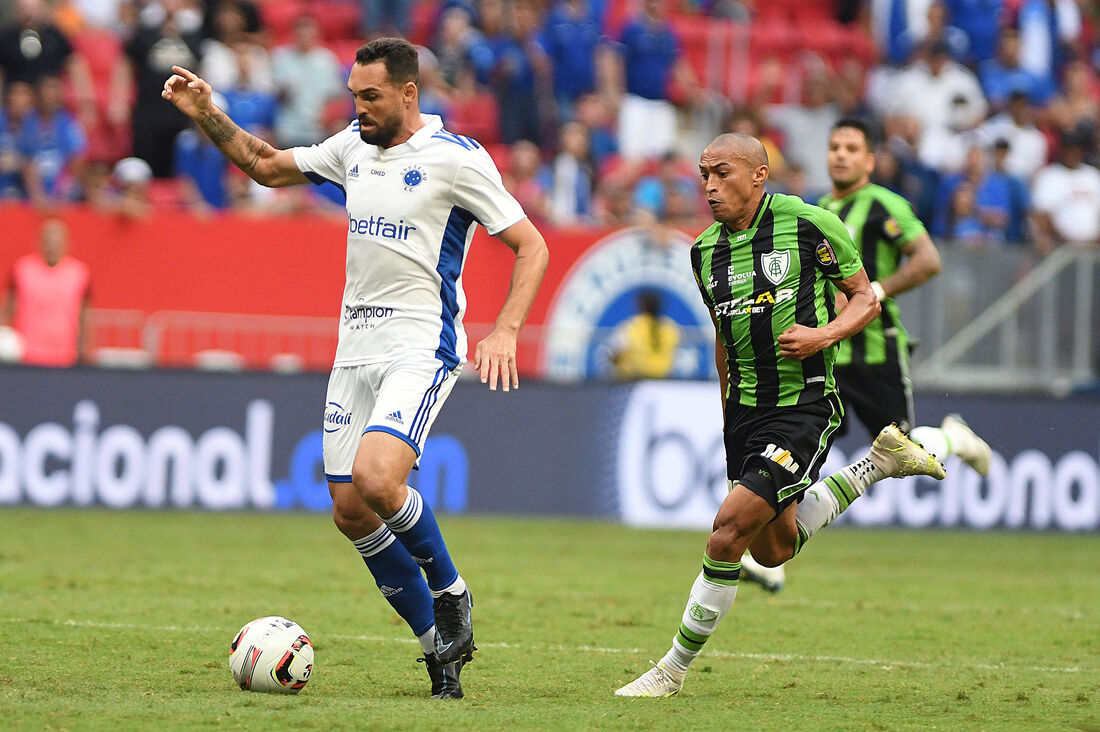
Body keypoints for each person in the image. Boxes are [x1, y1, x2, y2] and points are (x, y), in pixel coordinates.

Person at [162, 37, 549, 699]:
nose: (358, 108)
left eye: (370, 97)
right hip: (354, 351)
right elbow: (263, 164)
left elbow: (530, 244)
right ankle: (438, 650)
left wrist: (507, 328)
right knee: (349, 510)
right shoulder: (352, 147)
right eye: (353, 96)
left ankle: (452, 592)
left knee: (376, 477)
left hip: (419, 346)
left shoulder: (456, 160)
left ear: (407, 92)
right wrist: (206, 111)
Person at [615, 133, 945, 698]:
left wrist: (824, 334)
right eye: (704, 176)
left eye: (723, 174)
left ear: (759, 175)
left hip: (804, 405)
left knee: (726, 534)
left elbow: (865, 297)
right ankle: (878, 464)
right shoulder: (704, 252)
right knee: (773, 547)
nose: (711, 187)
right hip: (744, 413)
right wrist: (725, 415)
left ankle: (671, 669)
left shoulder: (809, 223)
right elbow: (724, 338)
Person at [738, 118, 995, 598]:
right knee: (787, 457)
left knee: (904, 449)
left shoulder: (883, 204)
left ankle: (953, 438)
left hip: (874, 350)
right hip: (824, 354)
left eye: (852, 148)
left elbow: (928, 260)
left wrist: (874, 290)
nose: (840, 155)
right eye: (834, 146)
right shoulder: (815, 209)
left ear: (869, 160)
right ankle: (771, 559)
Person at [2, 217, 90, 367]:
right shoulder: (22, 269)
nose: (52, 243)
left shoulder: (79, 273)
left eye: (57, 238)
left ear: (67, 242)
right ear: (39, 241)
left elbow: (85, 316)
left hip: (66, 356)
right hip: (27, 356)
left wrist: (85, 354)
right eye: (48, 238)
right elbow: (7, 309)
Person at [609, 290, 680, 379]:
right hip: (664, 382)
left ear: (642, 306)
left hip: (637, 382)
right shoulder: (671, 328)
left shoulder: (631, 327)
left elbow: (615, 354)